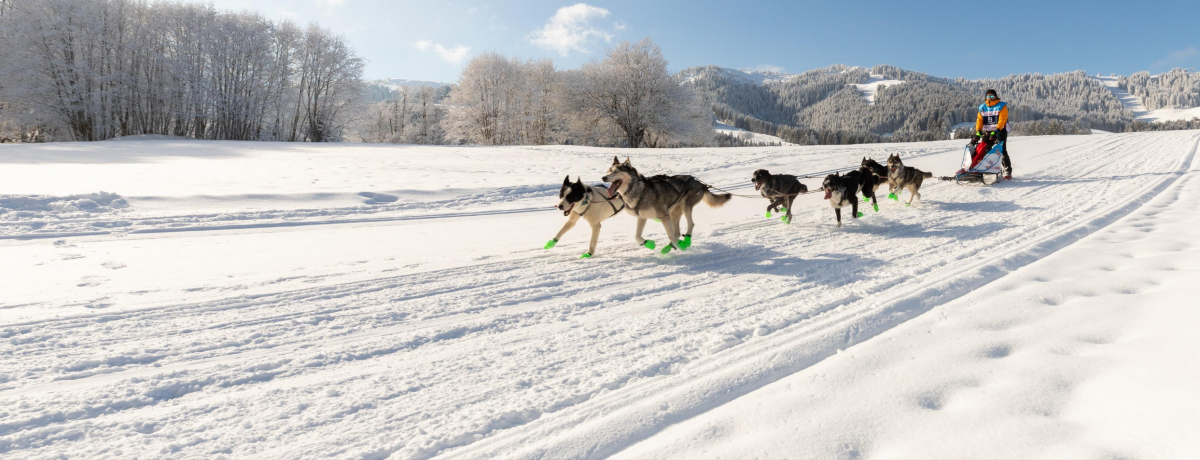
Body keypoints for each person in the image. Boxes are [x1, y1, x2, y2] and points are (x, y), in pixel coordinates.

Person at [975, 89, 1012, 180]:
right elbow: (979, 120)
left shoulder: (1001, 106)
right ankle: (983, 167)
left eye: (992, 96)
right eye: (988, 96)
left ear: (995, 96)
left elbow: (1003, 118)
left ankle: (1007, 170)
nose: (990, 98)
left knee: (1001, 150)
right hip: (988, 131)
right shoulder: (982, 107)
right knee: (984, 149)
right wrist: (978, 131)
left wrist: (997, 129)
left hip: (999, 130)